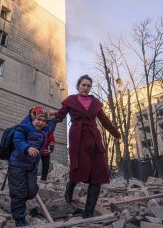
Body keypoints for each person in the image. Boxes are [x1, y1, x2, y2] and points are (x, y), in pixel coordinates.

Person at [50, 74, 121, 219]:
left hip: (94, 139)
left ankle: (88, 213)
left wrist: (116, 133)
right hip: (78, 138)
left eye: (88, 86)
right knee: (78, 169)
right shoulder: (71, 100)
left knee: (98, 174)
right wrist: (49, 124)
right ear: (78, 86)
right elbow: (61, 115)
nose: (86, 88)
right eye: (83, 85)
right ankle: (70, 189)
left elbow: (105, 120)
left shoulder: (95, 102)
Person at [8, 107, 56, 227]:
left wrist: (57, 115)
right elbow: (18, 140)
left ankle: (20, 205)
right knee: (19, 192)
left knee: (31, 191)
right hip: (17, 165)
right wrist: (27, 148)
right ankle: (19, 218)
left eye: (44, 121)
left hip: (31, 167)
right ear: (32, 118)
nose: (41, 123)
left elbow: (52, 124)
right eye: (39, 119)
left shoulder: (45, 130)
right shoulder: (23, 127)